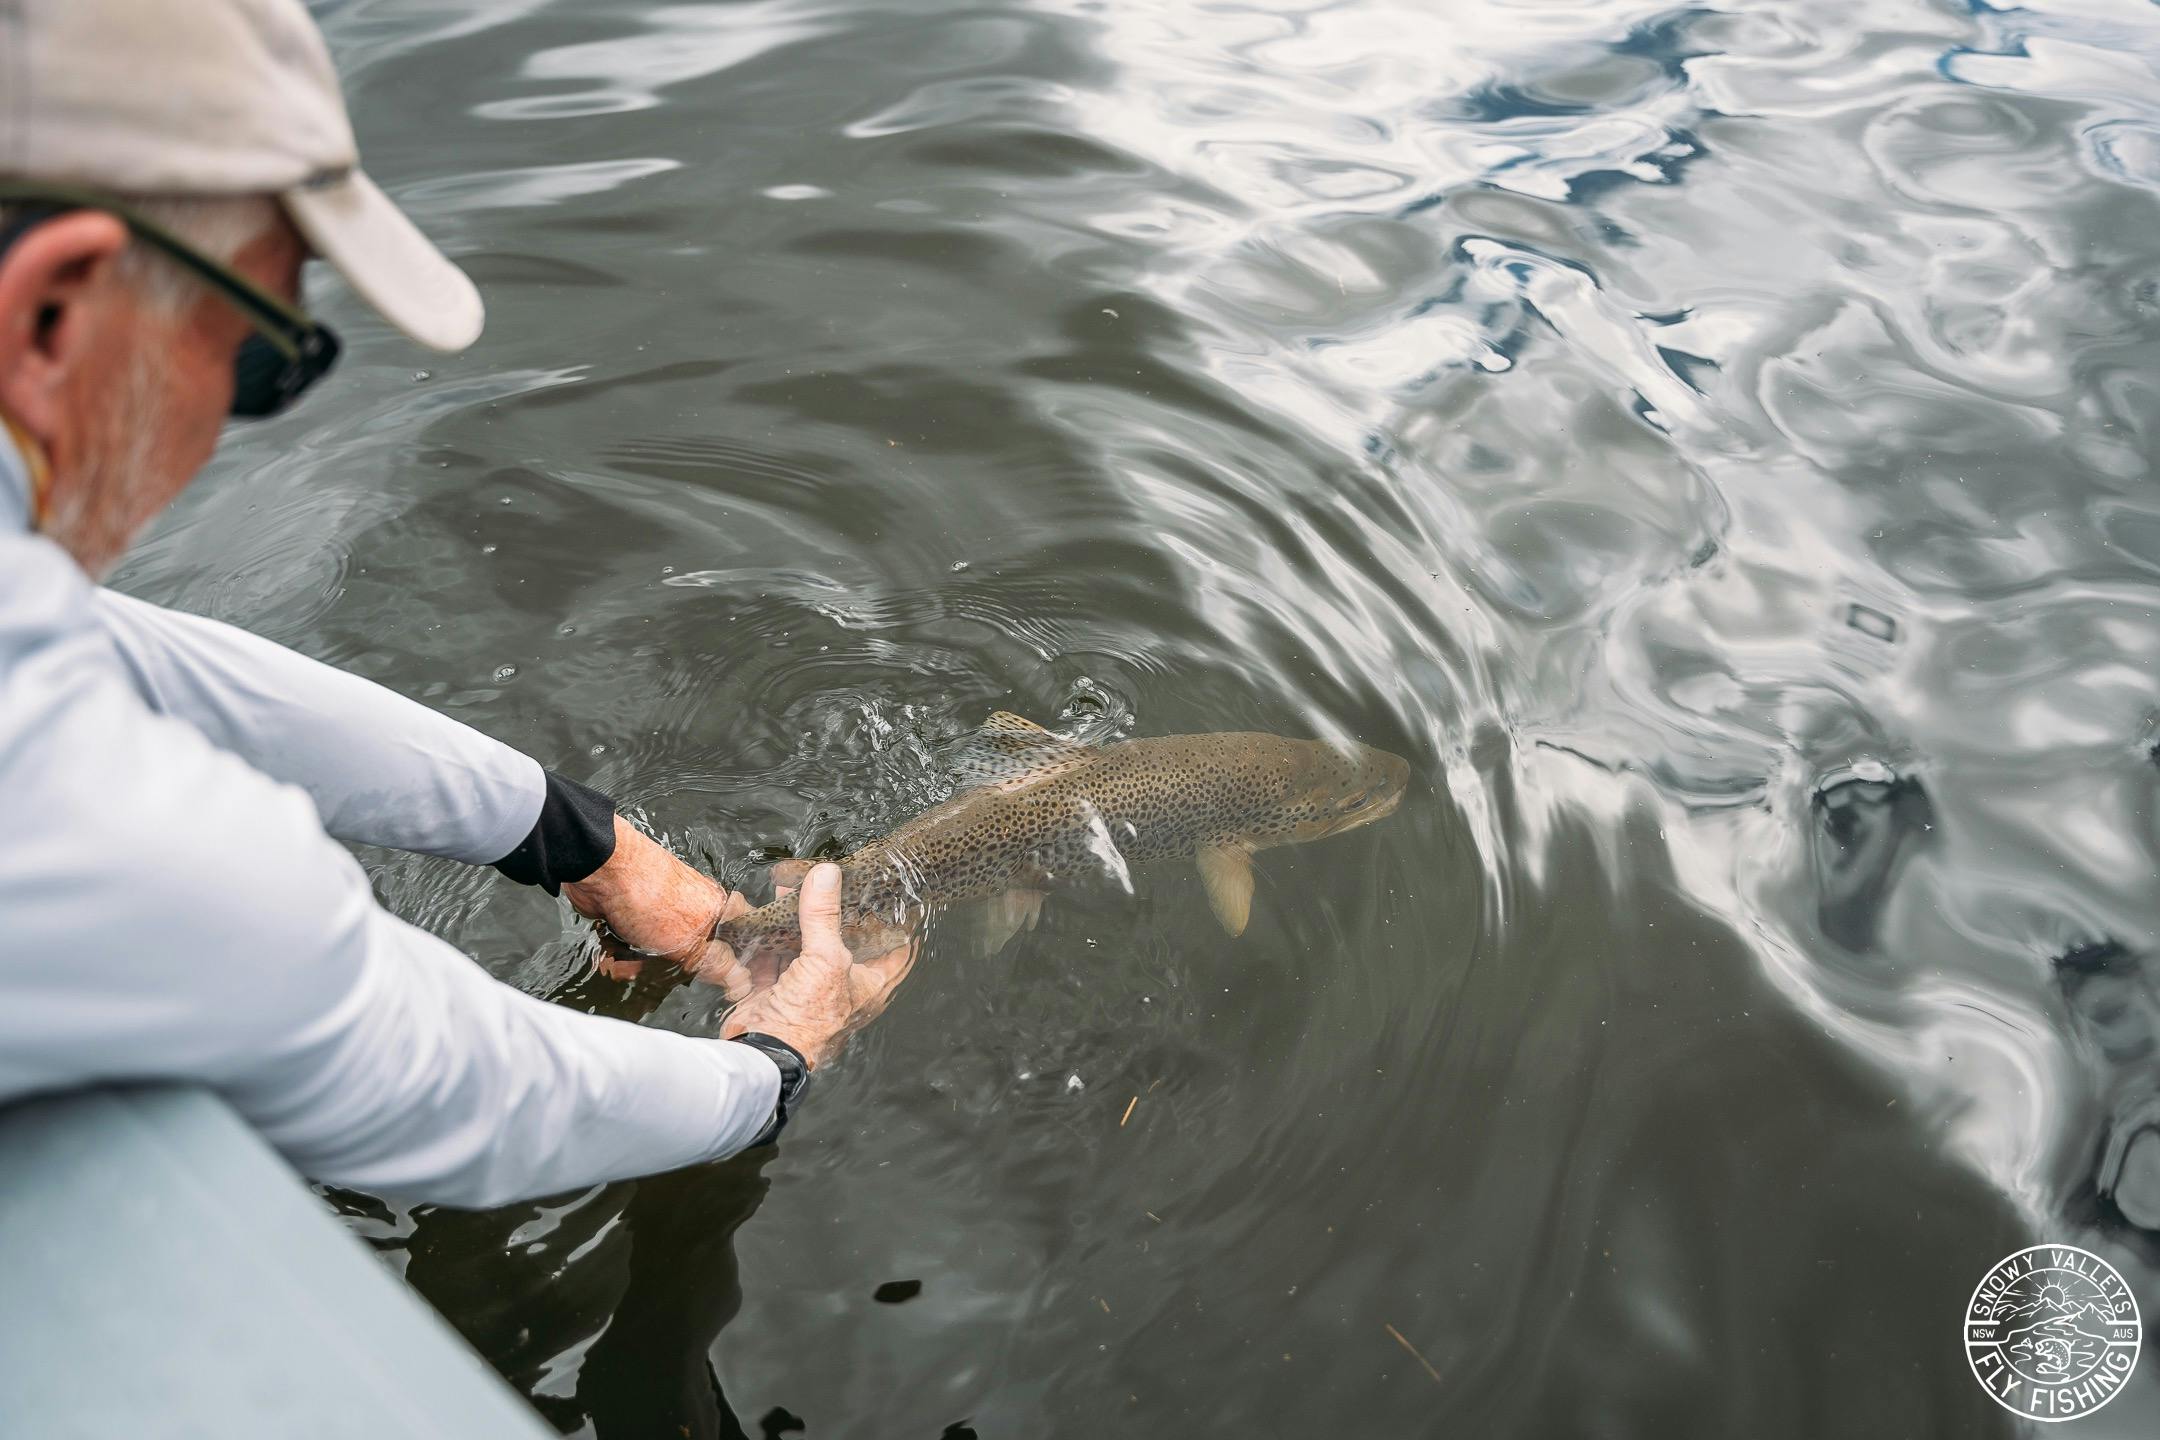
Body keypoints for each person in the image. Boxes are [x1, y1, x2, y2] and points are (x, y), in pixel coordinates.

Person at [0, 0, 914, 1207]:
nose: (226, 419)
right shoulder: (76, 822)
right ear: (53, 311)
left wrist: (575, 836)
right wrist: (779, 1059)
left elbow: (120, 659)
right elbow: (431, 1081)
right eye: (262, 359)